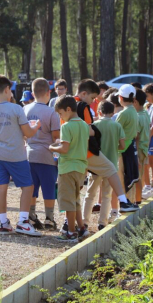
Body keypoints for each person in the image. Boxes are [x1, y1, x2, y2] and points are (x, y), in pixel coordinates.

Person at [0, 75, 42, 236]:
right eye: (10, 90)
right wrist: (36, 126)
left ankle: (3, 223)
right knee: (27, 186)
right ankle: (23, 222)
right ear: (6, 90)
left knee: (1, 188)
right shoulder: (16, 108)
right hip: (16, 154)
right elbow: (28, 133)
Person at [74, 80, 138, 213]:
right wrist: (95, 130)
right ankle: (124, 202)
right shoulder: (83, 107)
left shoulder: (68, 104)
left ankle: (75, 222)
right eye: (92, 98)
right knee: (111, 170)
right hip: (88, 152)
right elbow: (87, 130)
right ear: (84, 93)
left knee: (79, 188)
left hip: (74, 152)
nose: (92, 102)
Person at [50, 95, 91, 242]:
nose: (61, 117)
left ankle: (71, 233)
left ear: (68, 109)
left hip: (67, 168)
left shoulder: (66, 126)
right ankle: (82, 228)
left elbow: (65, 149)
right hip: (81, 167)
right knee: (75, 200)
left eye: (60, 113)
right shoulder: (84, 125)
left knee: (67, 201)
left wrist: (52, 147)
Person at [24, 78, 61, 231]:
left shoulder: (25, 110)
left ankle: (31, 215)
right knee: (49, 189)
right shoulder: (51, 112)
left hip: (29, 154)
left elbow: (23, 133)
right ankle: (49, 218)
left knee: (32, 188)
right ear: (48, 92)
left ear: (33, 93)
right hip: (47, 155)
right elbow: (55, 137)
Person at [85, 100, 125, 230]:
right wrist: (115, 147)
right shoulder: (117, 126)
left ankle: (85, 221)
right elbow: (122, 145)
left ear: (99, 111)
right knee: (107, 194)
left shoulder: (94, 124)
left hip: (96, 164)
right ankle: (102, 222)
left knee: (90, 193)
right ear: (113, 113)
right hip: (111, 164)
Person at [116, 84, 140, 201]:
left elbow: (115, 131)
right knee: (131, 178)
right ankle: (131, 202)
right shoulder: (133, 111)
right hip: (131, 146)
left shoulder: (123, 113)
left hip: (122, 149)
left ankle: (125, 204)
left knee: (122, 179)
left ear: (120, 98)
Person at [133, 89, 150, 204]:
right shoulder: (145, 113)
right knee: (140, 175)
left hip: (139, 149)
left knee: (136, 177)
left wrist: (135, 155)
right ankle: (138, 199)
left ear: (135, 101)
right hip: (144, 148)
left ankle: (137, 200)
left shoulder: (138, 117)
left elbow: (137, 137)